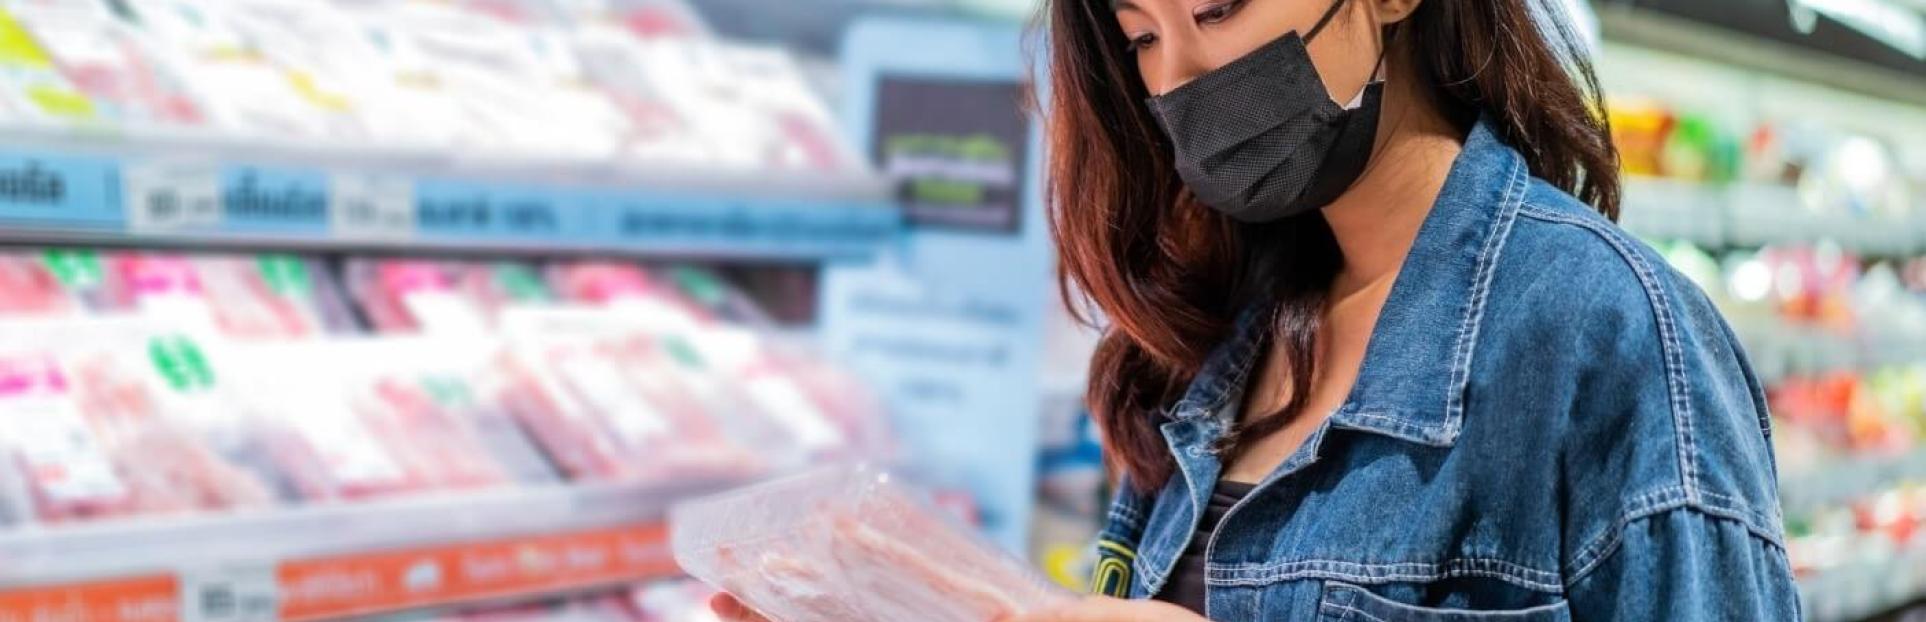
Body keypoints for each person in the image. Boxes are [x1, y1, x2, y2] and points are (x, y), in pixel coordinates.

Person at [713, 0, 1801, 619]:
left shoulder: (1607, 332)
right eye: (1142, 37)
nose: (1182, 74)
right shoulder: (1210, 348)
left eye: (1219, 9)